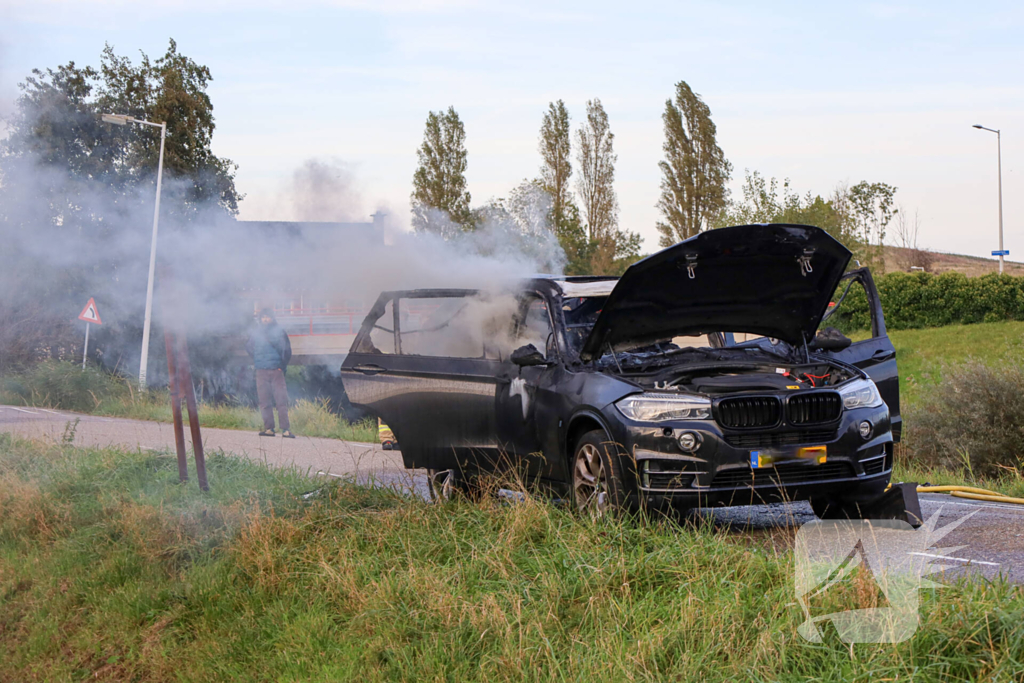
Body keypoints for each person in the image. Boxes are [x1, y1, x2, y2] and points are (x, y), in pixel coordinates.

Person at [246, 308, 294, 438]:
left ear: (272, 318)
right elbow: (249, 347)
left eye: (268, 317)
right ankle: (269, 429)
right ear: (260, 319)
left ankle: (285, 430)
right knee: (264, 401)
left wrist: (281, 366)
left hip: (276, 370)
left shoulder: (279, 332)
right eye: (263, 317)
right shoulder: (256, 333)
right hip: (261, 370)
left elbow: (287, 351)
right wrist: (258, 360)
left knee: (281, 400)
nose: (265, 320)